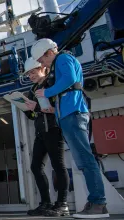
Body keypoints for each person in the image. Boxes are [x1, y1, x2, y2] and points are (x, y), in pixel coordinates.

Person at [31, 38, 109, 219]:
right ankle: (96, 201)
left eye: (42, 61)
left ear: (49, 53)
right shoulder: (62, 61)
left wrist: (46, 92)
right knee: (83, 160)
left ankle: (98, 203)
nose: (42, 64)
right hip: (68, 115)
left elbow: (70, 79)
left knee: (85, 160)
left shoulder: (62, 59)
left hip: (73, 114)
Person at [21, 58, 70, 217]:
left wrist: (37, 107)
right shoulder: (33, 89)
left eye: (33, 71)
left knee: (58, 166)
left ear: (43, 68)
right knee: (35, 167)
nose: (30, 75)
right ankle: (46, 203)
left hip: (54, 130)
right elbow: (33, 115)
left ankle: (62, 204)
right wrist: (26, 108)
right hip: (40, 132)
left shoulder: (52, 83)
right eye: (28, 73)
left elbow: (57, 107)